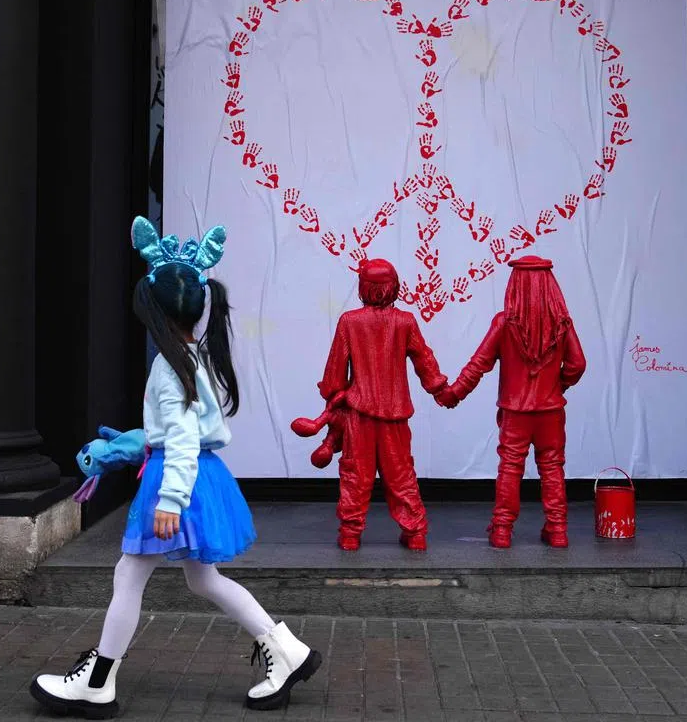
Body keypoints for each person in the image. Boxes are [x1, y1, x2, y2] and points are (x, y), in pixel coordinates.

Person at [30, 218, 320, 719]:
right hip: (195, 478)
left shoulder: (170, 367)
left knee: (130, 575)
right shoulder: (189, 357)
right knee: (201, 580)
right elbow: (179, 432)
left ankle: (98, 683)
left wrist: (170, 500)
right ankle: (287, 650)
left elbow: (182, 439)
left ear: (153, 312)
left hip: (176, 481)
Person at [438, 256, 586, 549]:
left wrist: (454, 393)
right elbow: (577, 364)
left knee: (510, 467)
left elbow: (478, 364)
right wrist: (559, 385)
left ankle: (502, 530)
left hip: (515, 412)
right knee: (552, 468)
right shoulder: (562, 323)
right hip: (551, 411)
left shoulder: (504, 323)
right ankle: (558, 529)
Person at [317, 258, 451, 551]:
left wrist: (331, 396)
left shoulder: (349, 321)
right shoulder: (405, 322)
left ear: (363, 288)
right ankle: (415, 533)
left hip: (359, 414)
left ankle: (350, 534)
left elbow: (335, 372)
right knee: (401, 475)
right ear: (395, 287)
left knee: (355, 475)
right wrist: (440, 390)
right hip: (395, 416)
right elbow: (424, 360)